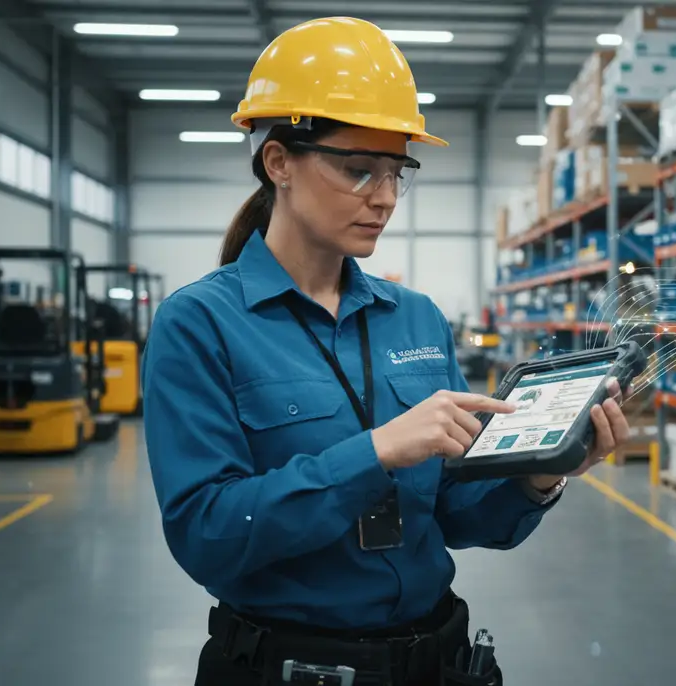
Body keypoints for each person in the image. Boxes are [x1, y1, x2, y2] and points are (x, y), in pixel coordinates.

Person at [140, 16, 633, 686]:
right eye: (358, 170)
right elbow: (208, 534)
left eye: (398, 172)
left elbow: (455, 513)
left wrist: (542, 473)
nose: (385, 198)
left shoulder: (417, 321)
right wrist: (373, 453)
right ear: (277, 161)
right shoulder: (200, 324)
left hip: (435, 661)